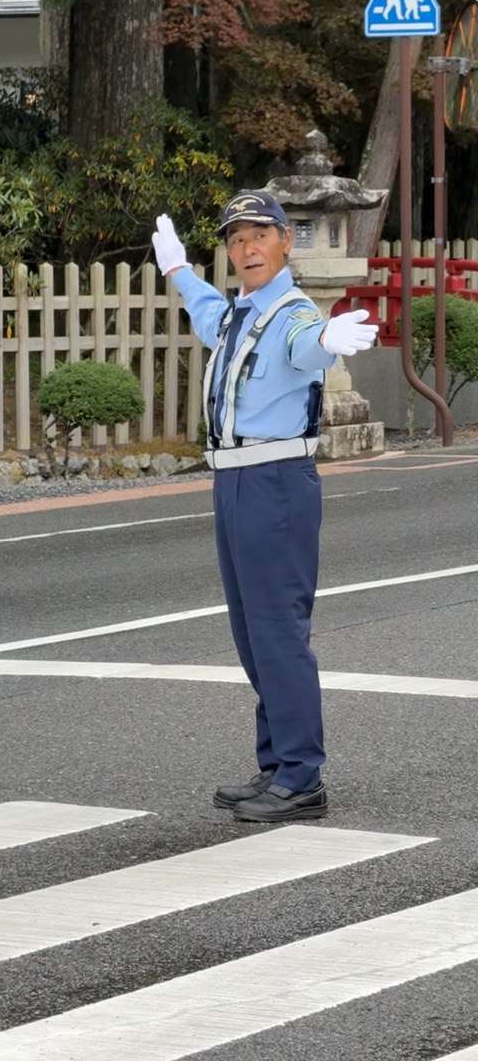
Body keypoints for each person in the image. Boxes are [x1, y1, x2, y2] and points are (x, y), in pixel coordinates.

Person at [152, 193, 378, 823]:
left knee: (277, 630)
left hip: (274, 481)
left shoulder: (293, 313)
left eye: (259, 235)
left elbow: (307, 346)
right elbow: (205, 310)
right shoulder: (239, 314)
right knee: (252, 633)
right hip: (233, 482)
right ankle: (277, 764)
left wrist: (329, 337)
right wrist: (177, 269)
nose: (247, 249)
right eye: (235, 239)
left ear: (283, 240)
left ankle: (302, 778)